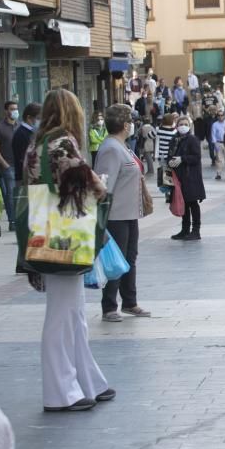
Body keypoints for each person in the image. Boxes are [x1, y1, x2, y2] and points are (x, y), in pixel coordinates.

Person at [22, 89, 114, 412]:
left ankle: (87, 380)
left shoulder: (38, 142)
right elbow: (89, 183)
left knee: (73, 313)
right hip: (65, 235)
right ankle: (60, 391)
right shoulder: (63, 143)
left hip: (47, 231)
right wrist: (101, 187)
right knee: (63, 315)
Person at [93, 105, 150, 322]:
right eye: (131, 121)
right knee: (115, 261)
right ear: (125, 125)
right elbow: (104, 184)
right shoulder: (110, 148)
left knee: (129, 258)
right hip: (115, 215)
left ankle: (130, 301)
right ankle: (109, 306)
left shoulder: (122, 146)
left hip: (128, 213)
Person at [168, 116, 205, 240]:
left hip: (191, 177)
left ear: (189, 126)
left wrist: (182, 159)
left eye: (185, 124)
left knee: (192, 203)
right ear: (177, 126)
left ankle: (196, 230)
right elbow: (169, 155)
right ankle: (184, 229)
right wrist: (171, 161)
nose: (183, 126)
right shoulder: (174, 140)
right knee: (184, 203)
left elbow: (196, 157)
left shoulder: (193, 139)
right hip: (179, 177)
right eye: (180, 124)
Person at [0, 100, 19, 230]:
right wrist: (5, 164)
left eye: (16, 109)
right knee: (11, 195)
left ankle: (20, 219)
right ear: (6, 111)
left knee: (20, 195)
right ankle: (12, 221)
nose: (15, 111)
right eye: (12, 109)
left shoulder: (19, 126)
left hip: (20, 166)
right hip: (8, 166)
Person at [11, 103, 42, 182]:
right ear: (29, 118)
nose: (40, 121)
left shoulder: (31, 132)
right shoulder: (21, 134)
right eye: (38, 118)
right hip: (24, 178)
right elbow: (24, 158)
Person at [211, 110, 225, 180]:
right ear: (217, 116)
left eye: (222, 115)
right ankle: (218, 174)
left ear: (224, 116)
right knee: (219, 159)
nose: (220, 117)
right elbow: (213, 135)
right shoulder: (215, 124)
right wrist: (215, 144)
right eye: (219, 115)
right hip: (219, 143)